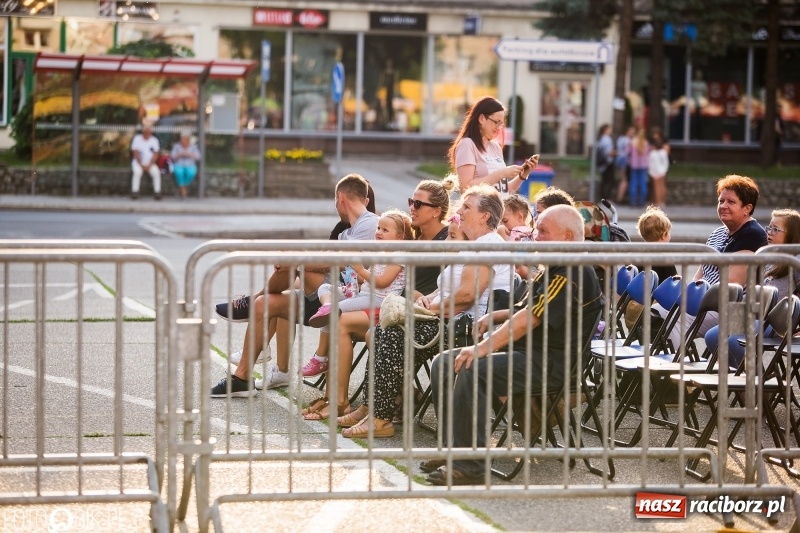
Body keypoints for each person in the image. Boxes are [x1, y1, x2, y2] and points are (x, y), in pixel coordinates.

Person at [424, 204, 604, 484]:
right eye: (536, 230)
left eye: (543, 232)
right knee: (443, 362)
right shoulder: (556, 266)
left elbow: (530, 319)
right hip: (529, 353)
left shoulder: (572, 271)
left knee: (473, 366)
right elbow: (529, 307)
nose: (536, 237)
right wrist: (493, 315)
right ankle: (453, 450)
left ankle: (470, 465)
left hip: (551, 363)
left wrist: (482, 348)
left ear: (568, 237)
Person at [340, 184, 514, 438]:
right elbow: (446, 289)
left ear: (484, 216)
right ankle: (373, 408)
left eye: (466, 207)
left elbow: (466, 296)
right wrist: (427, 301)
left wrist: (429, 308)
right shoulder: (474, 244)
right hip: (448, 318)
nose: (460, 210)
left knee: (388, 334)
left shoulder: (487, 244)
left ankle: (380, 418)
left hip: (467, 326)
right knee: (383, 332)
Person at [302, 177, 458, 421]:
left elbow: (450, 281)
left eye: (419, 204)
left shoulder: (450, 238)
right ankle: (336, 398)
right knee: (336, 318)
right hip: (393, 305)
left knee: (340, 321)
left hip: (419, 311)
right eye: (411, 202)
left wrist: (421, 295)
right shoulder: (414, 238)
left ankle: (342, 401)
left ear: (437, 211)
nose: (412, 208)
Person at [210, 173, 379, 398]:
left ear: (340, 198)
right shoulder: (345, 232)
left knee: (292, 262)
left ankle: (248, 304)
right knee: (265, 303)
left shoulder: (371, 223)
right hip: (324, 294)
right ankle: (241, 379)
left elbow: (336, 266)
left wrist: (295, 259)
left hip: (348, 300)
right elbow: (329, 264)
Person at [704, 208, 800, 369]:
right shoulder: (768, 257)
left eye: (776, 229)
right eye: (769, 228)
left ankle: (757, 385)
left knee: (735, 342)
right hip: (755, 315)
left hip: (775, 322)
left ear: (791, 234)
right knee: (713, 336)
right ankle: (743, 385)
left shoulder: (795, 259)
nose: (769, 232)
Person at [305, 209, 413, 330]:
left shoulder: (398, 256)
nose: (378, 232)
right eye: (378, 228)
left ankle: (323, 346)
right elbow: (367, 279)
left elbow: (382, 282)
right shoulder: (380, 253)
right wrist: (351, 270)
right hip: (365, 294)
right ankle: (327, 305)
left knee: (335, 311)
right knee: (325, 288)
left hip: (379, 300)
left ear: (399, 237)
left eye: (385, 230)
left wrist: (361, 270)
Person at [689, 175, 768, 338]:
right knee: (657, 312)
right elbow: (701, 273)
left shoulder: (752, 234)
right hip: (707, 302)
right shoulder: (717, 232)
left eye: (731, 202)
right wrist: (689, 294)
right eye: (721, 201)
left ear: (747, 208)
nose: (723, 206)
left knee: (675, 318)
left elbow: (731, 284)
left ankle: (666, 363)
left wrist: (694, 301)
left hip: (731, 307)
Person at [448, 96, 539, 197]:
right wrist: (501, 174)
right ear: (481, 118)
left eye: (501, 124)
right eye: (496, 122)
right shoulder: (467, 144)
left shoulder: (495, 147)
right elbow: (465, 187)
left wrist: (522, 175)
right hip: (480, 210)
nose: (499, 128)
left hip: (500, 209)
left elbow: (503, 191)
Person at [130, 123, 162, 200]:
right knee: (137, 172)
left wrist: (150, 165)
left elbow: (155, 154)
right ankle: (135, 191)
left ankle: (157, 192)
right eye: (145, 132)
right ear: (143, 132)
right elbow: (135, 153)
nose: (147, 134)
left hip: (150, 163)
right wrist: (141, 164)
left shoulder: (154, 140)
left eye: (149, 132)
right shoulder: (137, 139)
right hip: (138, 162)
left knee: (156, 173)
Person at [170, 131, 200, 199]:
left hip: (190, 164)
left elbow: (198, 157)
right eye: (182, 139)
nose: (182, 141)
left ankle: (183, 186)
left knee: (191, 173)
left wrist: (189, 154)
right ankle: (183, 189)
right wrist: (180, 154)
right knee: (179, 172)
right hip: (179, 164)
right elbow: (172, 156)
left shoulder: (193, 147)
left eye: (184, 139)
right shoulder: (176, 146)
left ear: (188, 140)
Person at [628, 128, 649, 207]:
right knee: (643, 183)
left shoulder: (633, 142)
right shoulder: (646, 143)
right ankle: (641, 202)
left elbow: (628, 152)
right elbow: (647, 154)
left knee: (633, 183)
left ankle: (633, 202)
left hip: (634, 165)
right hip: (643, 165)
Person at [648, 128, 670, 207]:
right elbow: (665, 162)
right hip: (662, 171)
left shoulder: (653, 153)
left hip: (656, 172)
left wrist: (651, 172)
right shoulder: (663, 152)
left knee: (657, 187)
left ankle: (658, 202)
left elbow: (650, 163)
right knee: (661, 186)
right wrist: (664, 170)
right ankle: (661, 201)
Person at [596, 124, 616, 201]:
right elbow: (607, 152)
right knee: (608, 180)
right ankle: (606, 197)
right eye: (609, 129)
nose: (610, 130)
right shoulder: (606, 139)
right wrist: (616, 153)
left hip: (603, 163)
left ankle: (603, 197)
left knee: (605, 180)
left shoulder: (600, 139)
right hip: (607, 162)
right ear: (605, 130)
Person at [615, 126, 635, 204]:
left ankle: (620, 197)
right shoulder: (627, 140)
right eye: (632, 132)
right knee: (624, 180)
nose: (633, 134)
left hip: (620, 160)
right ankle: (620, 198)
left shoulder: (621, 138)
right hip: (624, 161)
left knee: (623, 179)